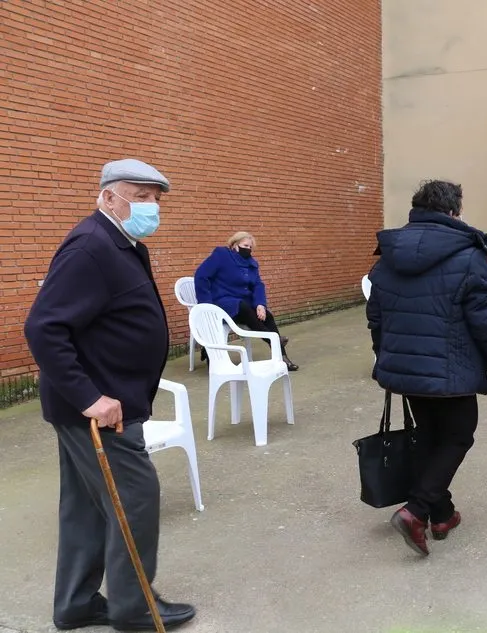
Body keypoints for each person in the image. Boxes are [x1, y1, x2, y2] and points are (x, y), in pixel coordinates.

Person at [23, 159, 196, 630]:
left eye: (156, 199)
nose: (151, 206)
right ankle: (133, 607)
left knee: (85, 507)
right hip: (101, 411)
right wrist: (89, 398)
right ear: (107, 197)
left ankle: (76, 603)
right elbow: (44, 327)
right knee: (136, 499)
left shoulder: (120, 242)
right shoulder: (92, 246)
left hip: (101, 406)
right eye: (140, 196)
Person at [367, 179, 487, 556]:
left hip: (406, 367)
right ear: (454, 212)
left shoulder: (389, 253)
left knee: (431, 436)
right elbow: (485, 319)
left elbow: (376, 315)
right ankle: (416, 511)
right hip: (452, 368)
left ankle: (443, 513)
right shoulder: (468, 253)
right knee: (458, 435)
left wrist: (386, 355)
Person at [194, 231, 298, 370]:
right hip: (221, 302)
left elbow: (257, 285)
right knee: (242, 307)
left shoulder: (251, 263)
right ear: (235, 244)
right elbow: (201, 276)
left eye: (250, 247)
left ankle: (283, 357)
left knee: (267, 315)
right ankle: (274, 341)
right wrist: (206, 305)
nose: (248, 249)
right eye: (245, 245)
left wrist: (260, 304)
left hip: (243, 305)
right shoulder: (222, 255)